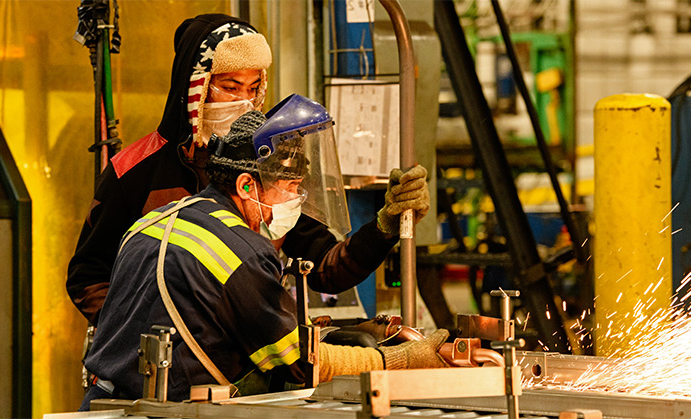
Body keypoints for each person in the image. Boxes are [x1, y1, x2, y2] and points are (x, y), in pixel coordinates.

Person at [79, 99, 447, 409]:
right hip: (163, 413)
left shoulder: (155, 222)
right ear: (245, 184)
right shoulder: (241, 249)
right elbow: (300, 363)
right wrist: (403, 360)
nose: (294, 201)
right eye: (289, 187)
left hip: (101, 405)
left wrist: (384, 226)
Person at [66, 13, 430, 325]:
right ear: (196, 87)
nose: (243, 101)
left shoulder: (268, 166)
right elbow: (88, 277)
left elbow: (327, 267)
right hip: (158, 372)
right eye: (229, 86)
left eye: (253, 87)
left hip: (250, 366)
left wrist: (384, 228)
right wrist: (139, 334)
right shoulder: (134, 170)